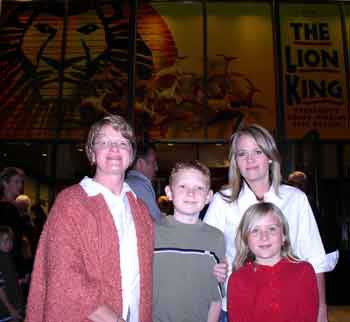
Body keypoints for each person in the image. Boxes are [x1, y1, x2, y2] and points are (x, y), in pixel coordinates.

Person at [26, 115, 154, 322]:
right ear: (92, 153)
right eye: (104, 142)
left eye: (122, 142)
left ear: (131, 155)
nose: (114, 148)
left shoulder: (140, 211)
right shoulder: (71, 202)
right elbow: (65, 276)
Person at [204, 124, 328, 322]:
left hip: (291, 306)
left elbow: (315, 259)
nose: (250, 159)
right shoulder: (222, 201)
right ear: (236, 161)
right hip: (235, 308)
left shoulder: (295, 199)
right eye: (242, 153)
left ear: (270, 157)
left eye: (257, 151)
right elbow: (205, 254)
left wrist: (321, 310)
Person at [153, 161, 225, 322]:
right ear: (169, 193)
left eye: (199, 188)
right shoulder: (151, 232)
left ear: (208, 196)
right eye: (183, 186)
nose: (191, 193)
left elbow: (216, 296)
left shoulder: (216, 238)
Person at [227, 202, 318, 322]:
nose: (264, 236)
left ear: (284, 236)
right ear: (245, 239)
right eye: (255, 230)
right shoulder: (238, 279)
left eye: (272, 229)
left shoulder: (304, 271)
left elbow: (308, 317)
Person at [126, 142, 162, 223]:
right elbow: (157, 221)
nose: (156, 168)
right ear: (140, 164)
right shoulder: (138, 185)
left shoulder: (129, 182)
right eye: (153, 163)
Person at [0, 226, 24, 322]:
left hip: (15, 305)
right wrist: (11, 310)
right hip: (6, 310)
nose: (10, 243)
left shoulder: (7, 256)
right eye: (5, 240)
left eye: (11, 240)